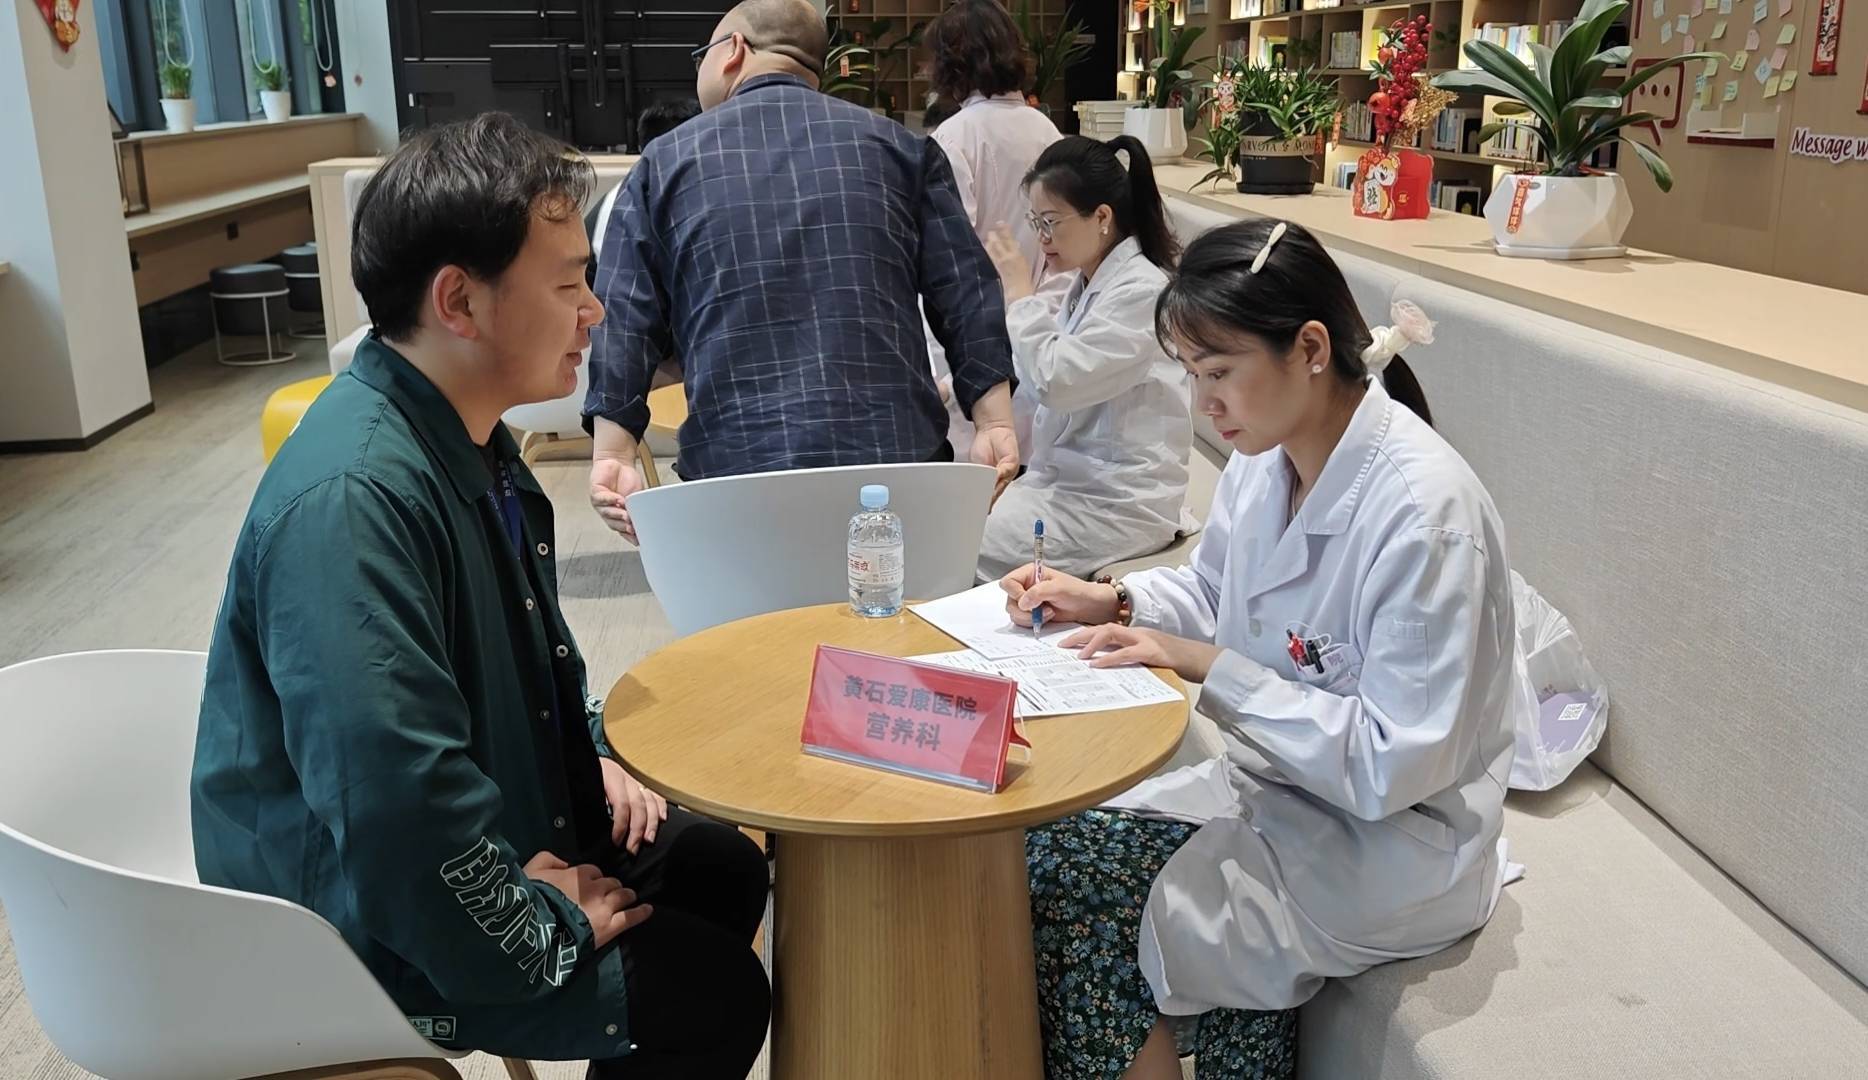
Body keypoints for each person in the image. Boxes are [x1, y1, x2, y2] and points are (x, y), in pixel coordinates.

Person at [191, 113, 771, 1080]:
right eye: (568, 284)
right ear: (459, 301)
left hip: (446, 834)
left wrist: (587, 749)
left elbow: (512, 667)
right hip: (355, 923)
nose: (595, 310)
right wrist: (541, 919)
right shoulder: (352, 502)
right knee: (714, 995)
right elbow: (393, 810)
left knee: (719, 866)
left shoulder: (466, 439)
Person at [1002, 219, 1517, 1079]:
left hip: (1394, 846)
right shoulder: (1265, 457)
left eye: (1218, 372)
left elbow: (1393, 764)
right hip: (1282, 791)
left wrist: (1212, 668)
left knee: (1070, 896)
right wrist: (1115, 596)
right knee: (1038, 852)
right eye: (1191, 374)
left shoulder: (1425, 517)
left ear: (1309, 349)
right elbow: (1216, 593)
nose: (1204, 404)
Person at [584, 0, 1019, 541]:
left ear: (733, 51)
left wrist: (614, 451)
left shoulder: (663, 164)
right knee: (898, 595)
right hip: (896, 460)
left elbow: (623, 314)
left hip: (737, 466)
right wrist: (994, 420)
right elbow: (966, 289)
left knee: (754, 599)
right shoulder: (903, 150)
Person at [975, 135, 1191, 581]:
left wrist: (1019, 291)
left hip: (1115, 503)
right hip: (1068, 486)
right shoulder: (1090, 284)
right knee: (948, 525)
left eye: (1051, 222)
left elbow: (1057, 382)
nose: (1041, 238)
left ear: (1103, 218)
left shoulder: (1143, 290)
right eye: (1035, 222)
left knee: (954, 547)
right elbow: (1037, 374)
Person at [919, 0, 1063, 457]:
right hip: (1037, 327)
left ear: (949, 63)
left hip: (971, 346)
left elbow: (947, 260)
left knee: (976, 468)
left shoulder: (954, 137)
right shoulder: (1048, 131)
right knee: (1025, 463)